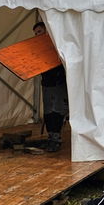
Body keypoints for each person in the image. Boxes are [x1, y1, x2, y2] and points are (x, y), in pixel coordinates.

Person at [33, 20, 69, 151]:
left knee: (57, 111)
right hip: (47, 84)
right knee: (48, 111)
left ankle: (57, 138)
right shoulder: (38, 48)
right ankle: (52, 137)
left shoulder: (56, 45)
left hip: (59, 83)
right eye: (36, 33)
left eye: (40, 32)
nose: (38, 34)